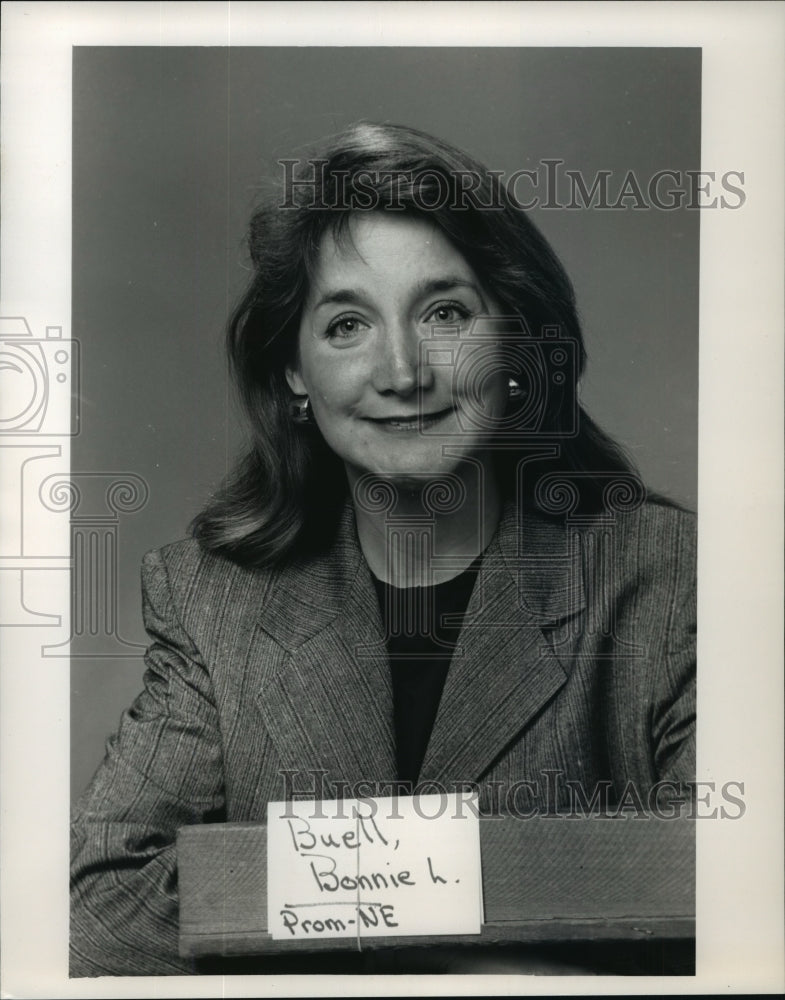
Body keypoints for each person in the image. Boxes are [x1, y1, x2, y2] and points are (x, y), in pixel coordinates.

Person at [70, 122, 696, 976]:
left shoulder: (671, 579)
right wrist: (502, 915)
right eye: (345, 325)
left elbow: (731, 884)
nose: (401, 372)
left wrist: (298, 904)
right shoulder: (208, 599)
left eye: (444, 313)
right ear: (292, 371)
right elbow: (106, 908)